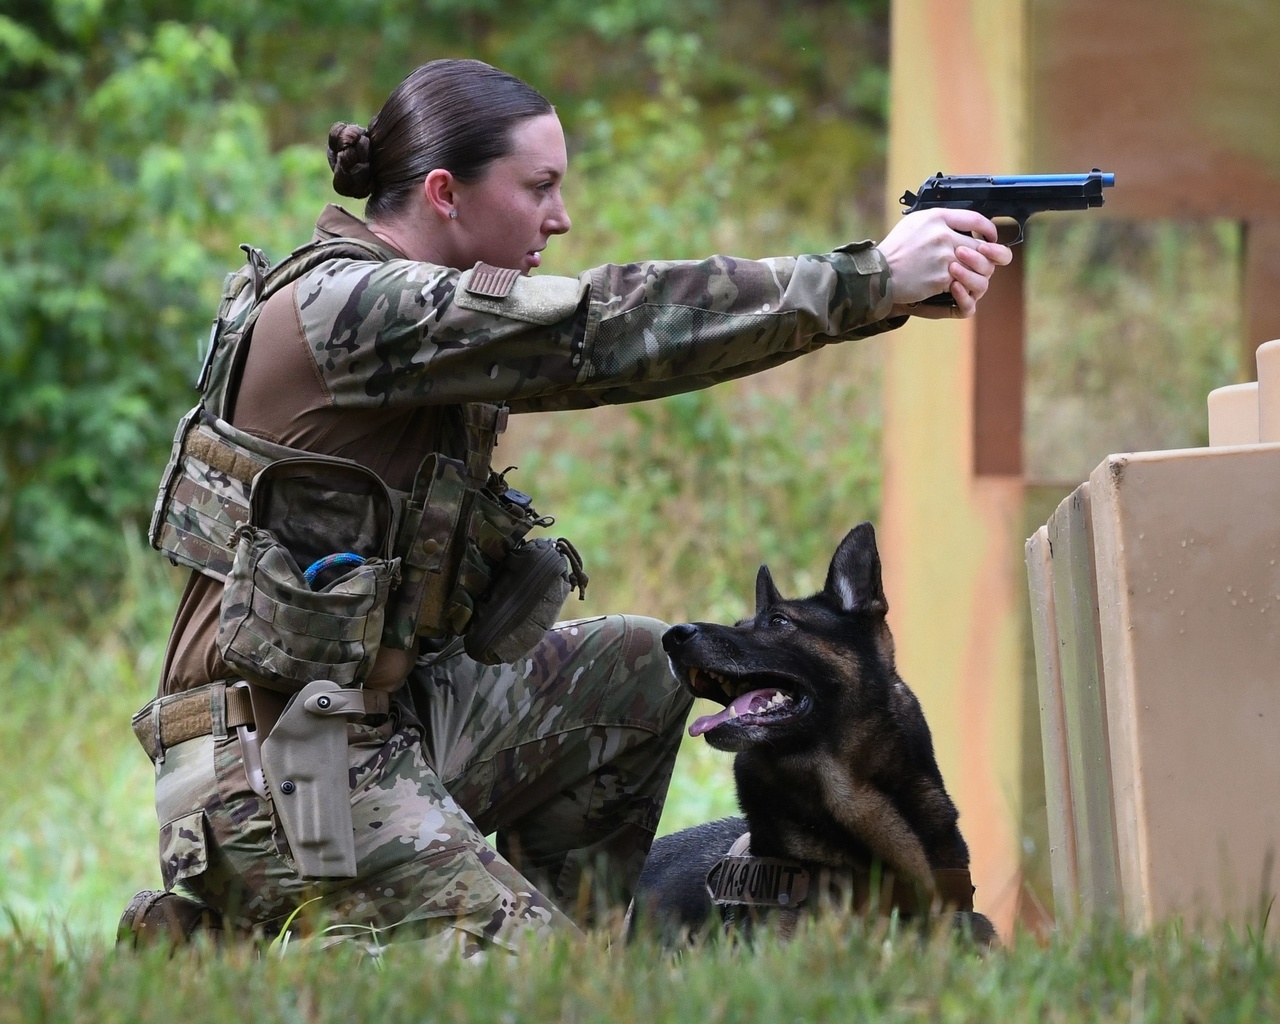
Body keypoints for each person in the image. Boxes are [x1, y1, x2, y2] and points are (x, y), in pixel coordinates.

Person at [119, 57, 1012, 956]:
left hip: (386, 727)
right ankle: (275, 950)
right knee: (550, 996)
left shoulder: (415, 320)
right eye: (539, 186)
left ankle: (561, 946)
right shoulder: (354, 305)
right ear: (444, 193)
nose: (561, 216)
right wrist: (866, 278)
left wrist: (877, 299)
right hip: (279, 772)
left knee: (638, 667)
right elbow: (601, 330)